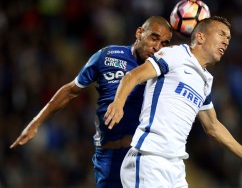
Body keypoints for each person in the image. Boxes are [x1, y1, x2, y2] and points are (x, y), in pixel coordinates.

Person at [104, 16, 242, 188]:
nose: (226, 41)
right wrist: (118, 103)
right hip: (149, 159)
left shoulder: (205, 80)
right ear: (200, 37)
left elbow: (213, 126)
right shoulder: (175, 54)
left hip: (176, 168)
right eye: (221, 34)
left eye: (229, 38)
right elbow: (132, 76)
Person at [10, 16, 172, 188]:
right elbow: (71, 91)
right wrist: (36, 122)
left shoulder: (162, 70)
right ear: (139, 33)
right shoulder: (107, 56)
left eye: (164, 43)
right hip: (107, 158)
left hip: (141, 157)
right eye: (154, 38)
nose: (157, 47)